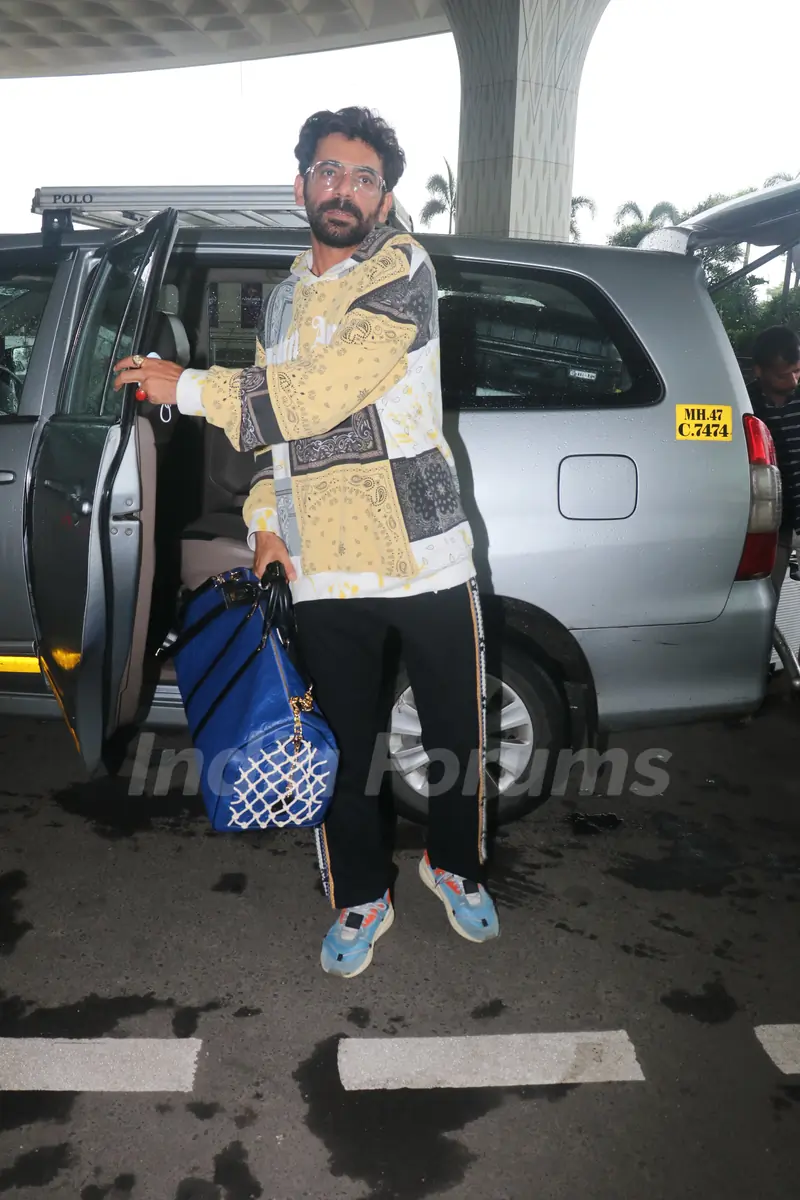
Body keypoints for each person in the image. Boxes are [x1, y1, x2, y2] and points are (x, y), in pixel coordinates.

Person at [114, 106, 499, 978]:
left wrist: (191, 385)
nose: (345, 190)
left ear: (385, 198)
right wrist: (263, 528)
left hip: (424, 551)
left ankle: (455, 864)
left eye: (365, 178)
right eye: (329, 172)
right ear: (301, 186)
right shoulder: (283, 297)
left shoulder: (404, 270)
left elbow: (322, 396)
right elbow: (272, 440)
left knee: (456, 732)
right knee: (338, 744)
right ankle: (362, 895)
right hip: (322, 564)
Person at [747, 326, 800, 600]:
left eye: (797, 371)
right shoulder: (744, 405)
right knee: (767, 593)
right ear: (759, 371)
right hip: (770, 523)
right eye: (783, 375)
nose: (792, 380)